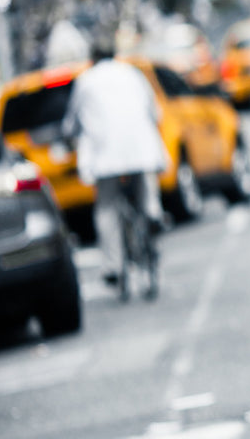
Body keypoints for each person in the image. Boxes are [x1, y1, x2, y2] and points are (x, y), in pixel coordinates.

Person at [62, 44, 169, 284]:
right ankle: (153, 215)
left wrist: (69, 138)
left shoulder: (86, 81)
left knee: (106, 209)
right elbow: (155, 112)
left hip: (105, 156)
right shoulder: (132, 73)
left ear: (92, 59)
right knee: (147, 192)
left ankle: (113, 266)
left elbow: (71, 123)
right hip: (141, 150)